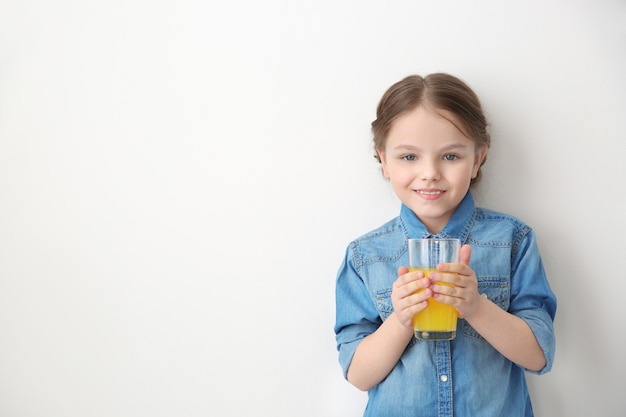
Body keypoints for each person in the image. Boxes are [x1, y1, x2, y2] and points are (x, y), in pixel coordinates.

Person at [333, 73, 556, 417]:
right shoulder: (366, 256)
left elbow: (539, 356)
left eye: (450, 156)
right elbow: (359, 375)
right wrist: (401, 318)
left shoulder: (512, 241)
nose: (430, 173)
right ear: (384, 161)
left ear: (478, 158)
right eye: (409, 157)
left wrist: (476, 307)